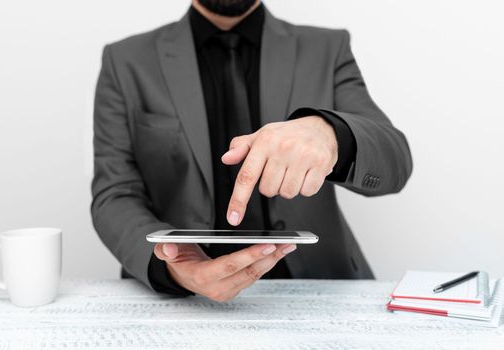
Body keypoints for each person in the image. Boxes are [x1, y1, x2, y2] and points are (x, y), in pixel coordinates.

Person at [91, 0, 412, 302]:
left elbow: (395, 161)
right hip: (182, 296)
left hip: (317, 289)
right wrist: (172, 265)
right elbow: (114, 193)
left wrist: (331, 134)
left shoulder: (327, 48)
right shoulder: (126, 61)